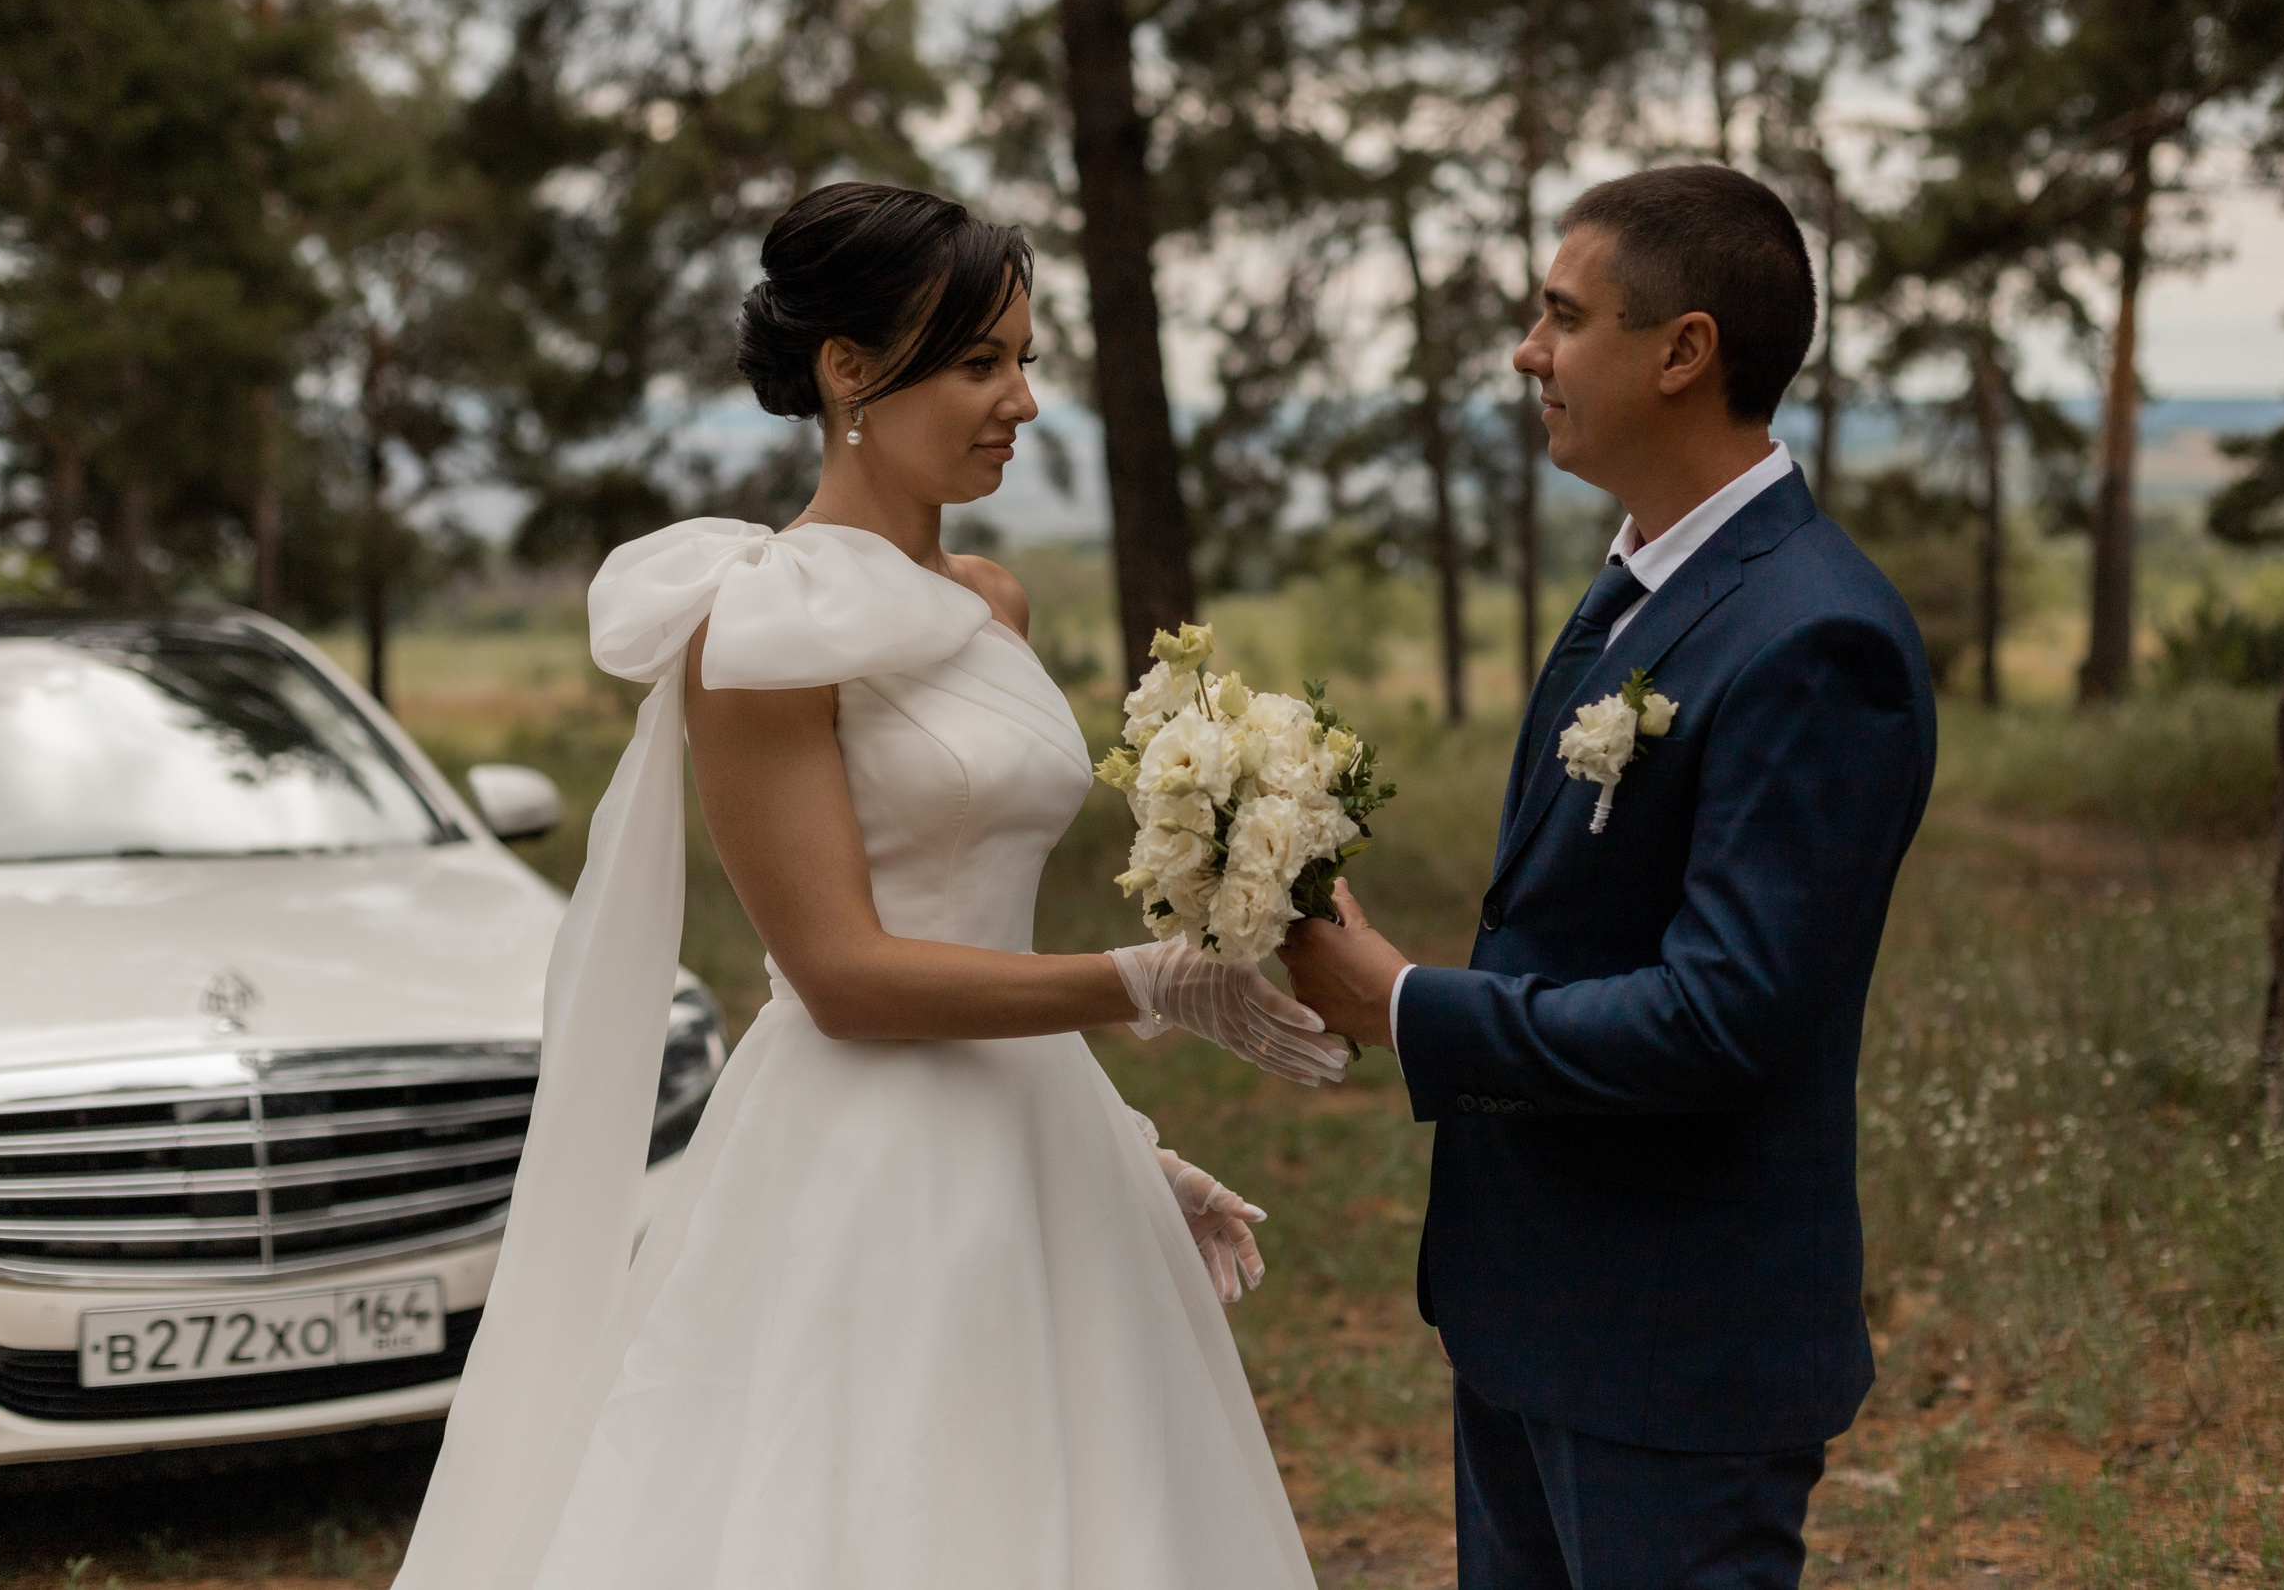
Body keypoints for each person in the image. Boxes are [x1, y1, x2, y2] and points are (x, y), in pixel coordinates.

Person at [394, 183, 1337, 1590]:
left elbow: (972, 907)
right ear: (848, 370)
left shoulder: (994, 599)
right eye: (979, 363)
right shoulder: (756, 627)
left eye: (1025, 358)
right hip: (862, 1165)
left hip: (1041, 1136)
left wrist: (1118, 1143)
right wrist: (1144, 982)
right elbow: (841, 975)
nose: (1021, 401)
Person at [1280, 164, 1938, 1590]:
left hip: (1676, 1346)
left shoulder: (1819, 639)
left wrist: (1405, 1006)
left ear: (1684, 350)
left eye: (1564, 318)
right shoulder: (1646, 584)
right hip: (1532, 1314)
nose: (1530, 354)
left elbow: (1724, 1018)